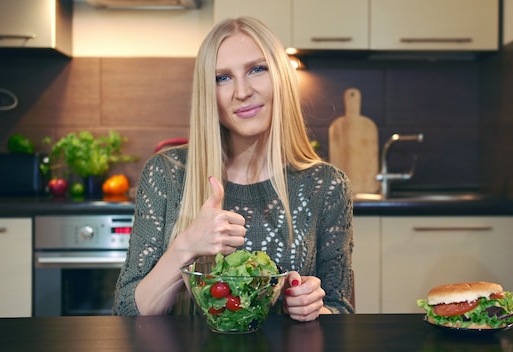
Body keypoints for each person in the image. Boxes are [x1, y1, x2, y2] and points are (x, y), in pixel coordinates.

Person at [113, 16, 354, 321]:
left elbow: (340, 309)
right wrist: (186, 245)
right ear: (207, 93)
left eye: (257, 69)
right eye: (222, 77)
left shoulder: (327, 185)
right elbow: (126, 311)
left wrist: (314, 307)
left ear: (280, 76)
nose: (242, 91)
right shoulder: (165, 174)